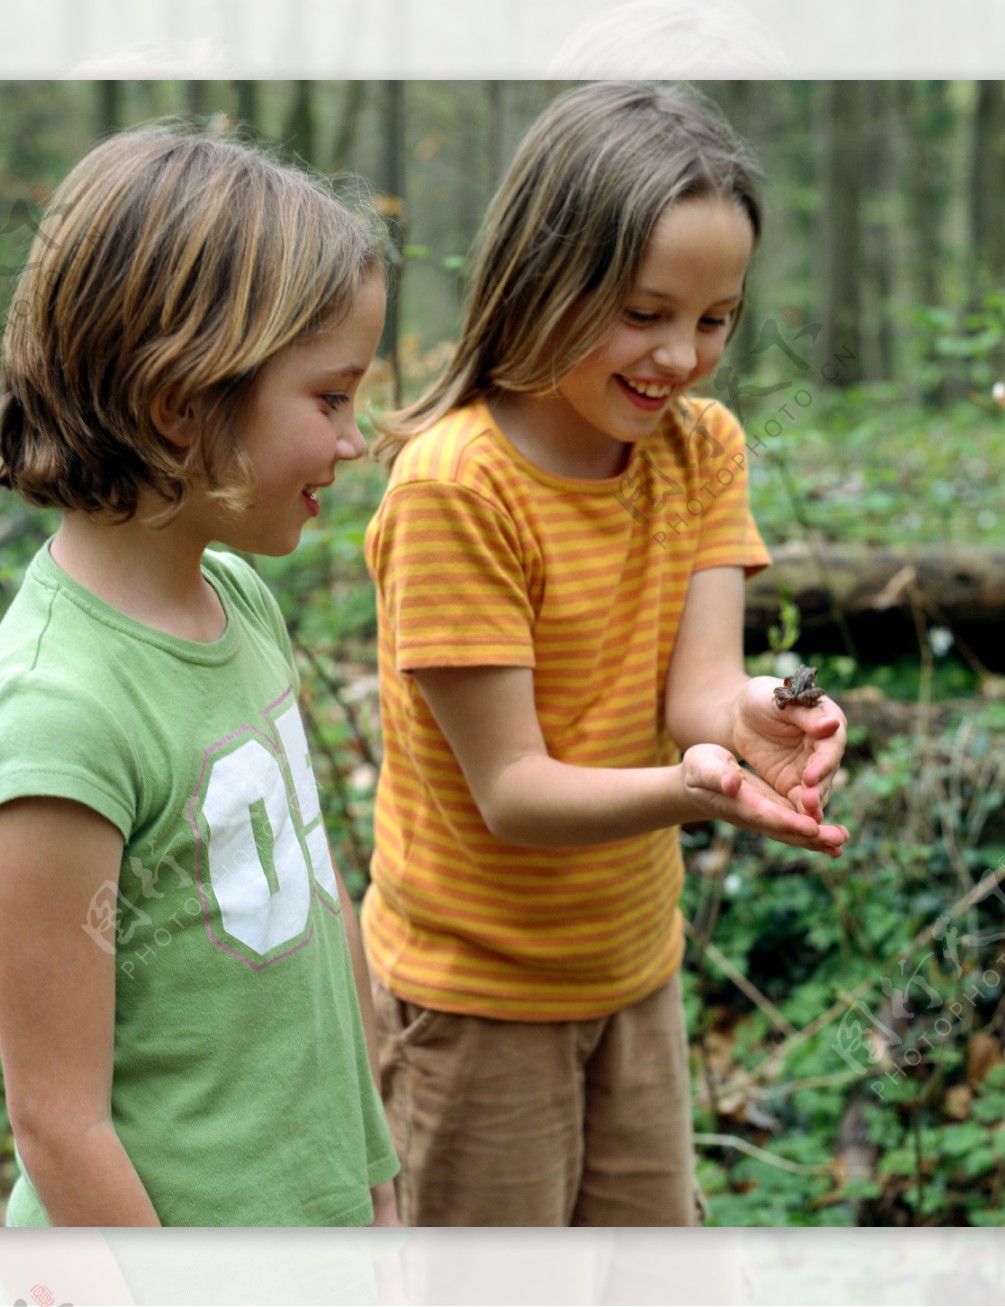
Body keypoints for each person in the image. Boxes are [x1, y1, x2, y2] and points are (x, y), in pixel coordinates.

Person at [361, 80, 850, 1227]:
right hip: (473, 1001)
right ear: (545, 274)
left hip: (633, 967)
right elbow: (514, 793)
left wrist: (760, 724)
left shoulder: (700, 449)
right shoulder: (456, 487)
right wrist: (699, 795)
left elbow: (702, 695)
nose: (680, 355)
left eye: (716, 317)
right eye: (641, 311)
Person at [0, 123, 399, 1227]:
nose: (355, 440)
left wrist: (378, 1186)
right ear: (179, 405)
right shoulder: (57, 720)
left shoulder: (237, 596)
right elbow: (60, 1126)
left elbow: (314, 907)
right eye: (328, 400)